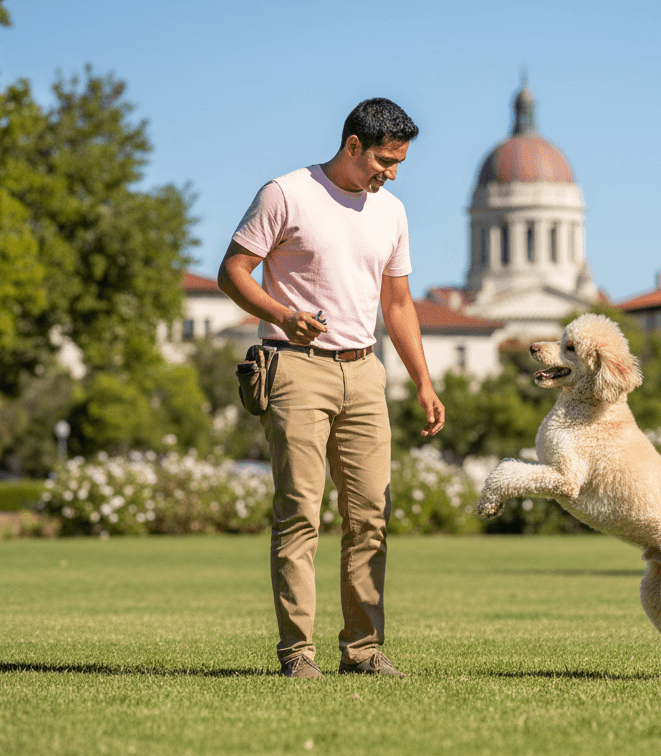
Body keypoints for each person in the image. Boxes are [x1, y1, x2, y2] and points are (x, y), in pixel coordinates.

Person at [217, 98, 444, 679]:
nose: (392, 173)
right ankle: (297, 653)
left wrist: (423, 381)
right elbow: (233, 271)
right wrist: (282, 314)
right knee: (300, 514)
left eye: (399, 163)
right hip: (295, 366)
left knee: (371, 516)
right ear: (353, 145)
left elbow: (398, 303)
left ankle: (363, 649)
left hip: (365, 372)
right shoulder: (286, 194)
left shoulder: (391, 212)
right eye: (385, 161)